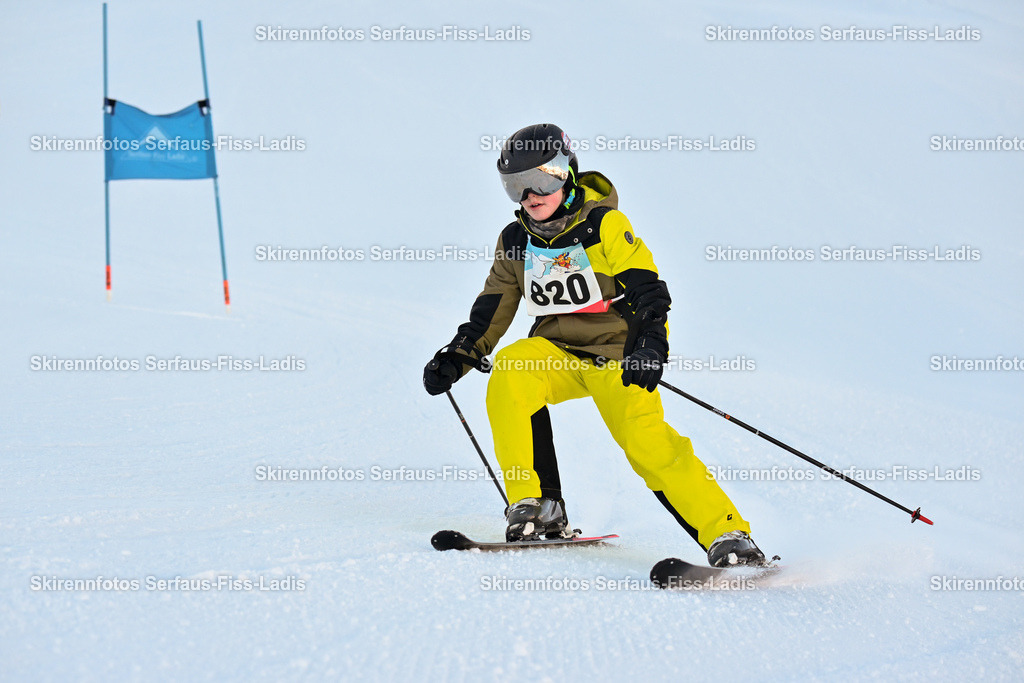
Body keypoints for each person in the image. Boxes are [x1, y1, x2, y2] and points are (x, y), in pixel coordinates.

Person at [423, 123, 766, 567]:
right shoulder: (516, 241)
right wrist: (458, 355)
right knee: (511, 370)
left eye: (540, 181)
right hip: (557, 354)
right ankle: (537, 507)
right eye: (515, 187)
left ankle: (729, 536)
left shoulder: (603, 225)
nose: (530, 195)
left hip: (617, 355)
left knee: (646, 441)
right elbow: (491, 310)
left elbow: (648, 294)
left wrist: (649, 347)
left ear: (565, 173)